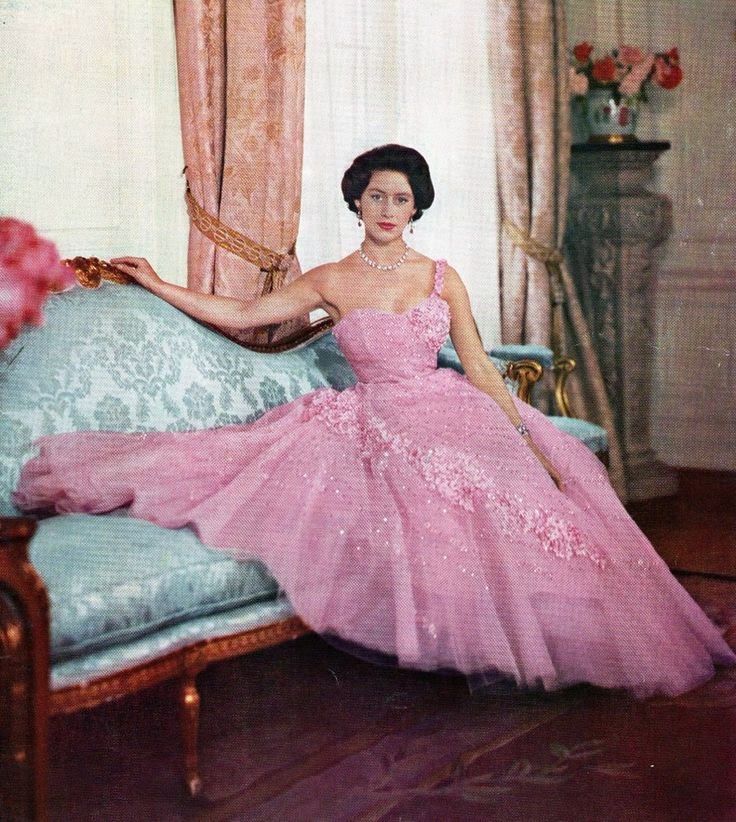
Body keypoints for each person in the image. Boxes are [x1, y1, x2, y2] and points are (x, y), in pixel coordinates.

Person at [12, 144, 736, 699]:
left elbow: (481, 368)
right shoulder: (331, 278)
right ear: (356, 202)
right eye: (376, 196)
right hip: (372, 417)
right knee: (435, 494)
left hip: (451, 407)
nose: (389, 209)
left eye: (402, 198)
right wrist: (159, 282)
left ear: (417, 208)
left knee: (527, 504)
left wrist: (528, 441)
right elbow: (245, 314)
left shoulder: (442, 277)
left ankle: (582, 640)